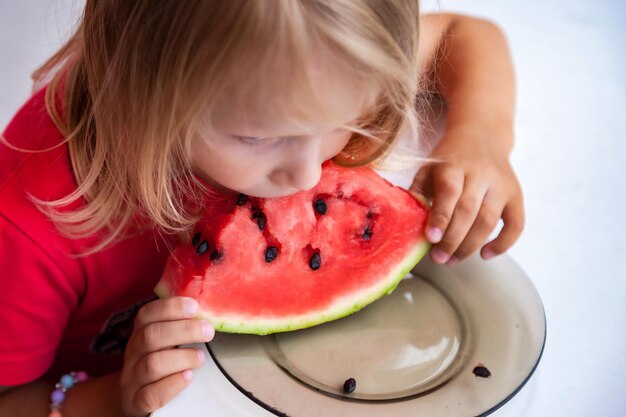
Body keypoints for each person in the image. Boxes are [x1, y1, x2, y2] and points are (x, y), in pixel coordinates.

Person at [0, 1, 523, 416]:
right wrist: (113, 400)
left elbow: (465, 34)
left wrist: (480, 137)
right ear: (140, 84)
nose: (307, 175)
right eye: (256, 136)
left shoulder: (314, 55)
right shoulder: (26, 225)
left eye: (348, 117)